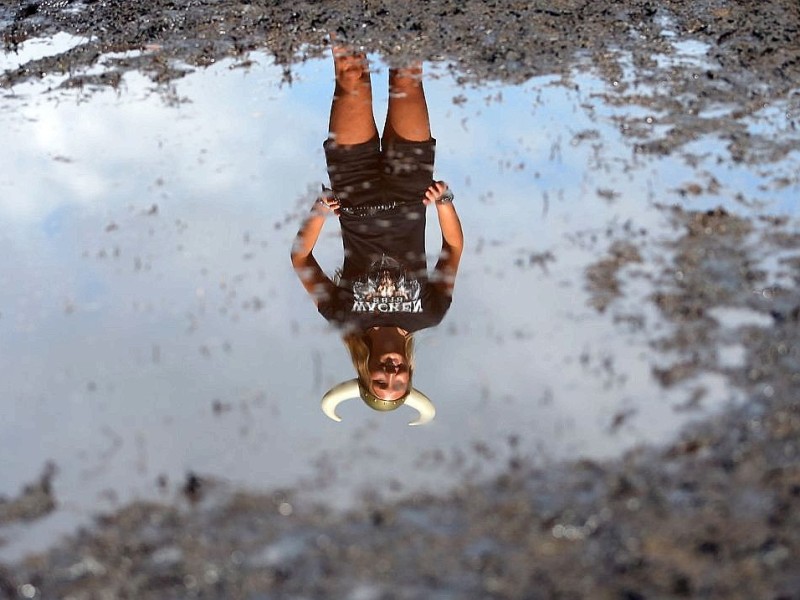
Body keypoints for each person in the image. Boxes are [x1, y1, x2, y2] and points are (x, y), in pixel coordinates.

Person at [291, 46, 463, 425]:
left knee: (351, 78)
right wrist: (445, 203)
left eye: (380, 381)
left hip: (353, 183)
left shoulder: (343, 317)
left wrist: (319, 213)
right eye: (397, 382)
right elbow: (452, 249)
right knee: (407, 75)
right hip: (411, 183)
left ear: (365, 372)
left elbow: (301, 259)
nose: (390, 374)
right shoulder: (430, 314)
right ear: (409, 375)